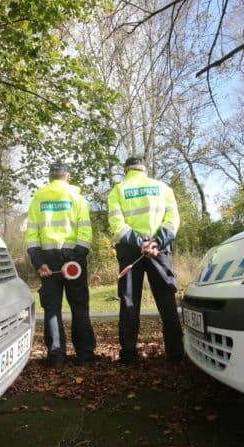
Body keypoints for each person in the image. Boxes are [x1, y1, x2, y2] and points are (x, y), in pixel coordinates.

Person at [107, 155, 184, 364]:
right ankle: (176, 354)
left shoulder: (118, 190)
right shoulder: (163, 188)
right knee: (167, 301)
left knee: (130, 302)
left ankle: (129, 356)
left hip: (131, 251)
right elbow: (173, 220)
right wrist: (157, 242)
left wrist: (139, 242)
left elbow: (117, 223)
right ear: (144, 170)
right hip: (159, 251)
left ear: (126, 170)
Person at [25, 162, 96, 367]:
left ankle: (56, 357)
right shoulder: (77, 198)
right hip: (73, 258)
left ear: (50, 178)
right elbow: (85, 233)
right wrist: (76, 259)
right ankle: (85, 356)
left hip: (47, 259)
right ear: (67, 177)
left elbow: (31, 236)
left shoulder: (37, 199)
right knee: (80, 308)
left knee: (52, 309)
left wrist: (39, 263)